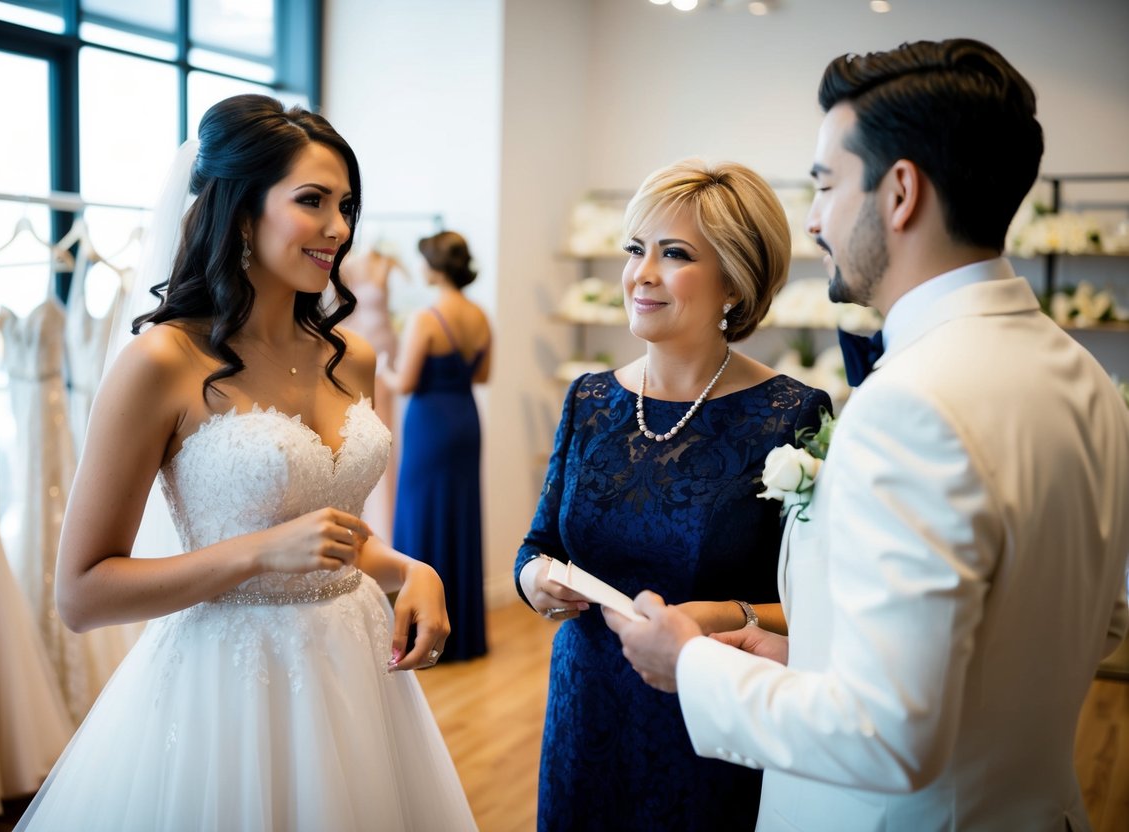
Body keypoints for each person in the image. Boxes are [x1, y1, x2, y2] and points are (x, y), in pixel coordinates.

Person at [606, 39, 1129, 831]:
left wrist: (690, 664)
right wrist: (811, 662)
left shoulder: (912, 403)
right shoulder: (1083, 377)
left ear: (899, 193)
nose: (813, 219)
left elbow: (887, 738)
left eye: (825, 184)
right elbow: (1096, 622)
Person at [14, 94, 476, 831]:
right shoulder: (162, 362)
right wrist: (258, 552)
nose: (339, 228)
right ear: (240, 213)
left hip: (355, 667)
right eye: (312, 201)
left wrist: (408, 570)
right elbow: (81, 594)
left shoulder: (352, 358)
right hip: (225, 689)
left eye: (345, 206)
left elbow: (331, 536)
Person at [516, 159, 832, 830]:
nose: (642, 273)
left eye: (675, 254)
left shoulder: (790, 415)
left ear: (734, 281)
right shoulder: (589, 400)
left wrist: (717, 615)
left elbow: (818, 603)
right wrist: (533, 580)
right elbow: (537, 545)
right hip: (585, 708)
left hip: (710, 716)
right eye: (636, 249)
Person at [381, 230, 492, 662]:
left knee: (420, 511)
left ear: (435, 267)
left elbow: (405, 383)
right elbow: (482, 375)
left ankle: (418, 631)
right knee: (460, 516)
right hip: (465, 418)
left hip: (429, 422)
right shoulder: (480, 316)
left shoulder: (426, 318)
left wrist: (384, 368)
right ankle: (463, 634)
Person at [341, 247, 401, 540]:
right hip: (361, 340)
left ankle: (389, 521)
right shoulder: (348, 264)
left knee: (388, 428)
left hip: (386, 343)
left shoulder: (386, 261)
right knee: (366, 426)